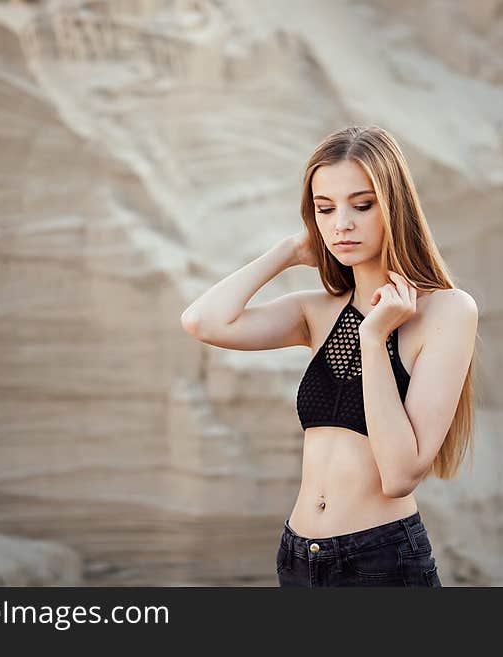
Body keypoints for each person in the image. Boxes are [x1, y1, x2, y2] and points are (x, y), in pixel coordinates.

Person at [180, 125, 479, 587]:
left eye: (362, 205)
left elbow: (400, 474)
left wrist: (374, 338)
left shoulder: (446, 311)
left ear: (394, 208)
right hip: (298, 559)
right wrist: (288, 251)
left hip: (379, 560)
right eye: (324, 209)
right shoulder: (316, 311)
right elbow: (203, 321)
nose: (342, 223)